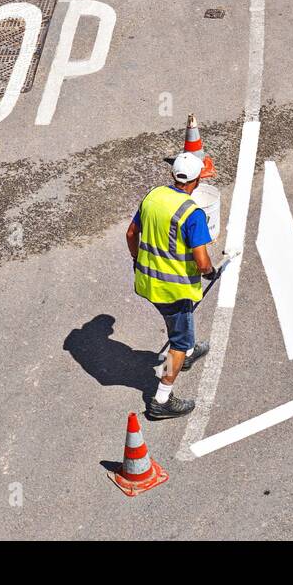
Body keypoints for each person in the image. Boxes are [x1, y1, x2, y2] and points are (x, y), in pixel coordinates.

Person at [125, 151, 216, 419]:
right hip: (174, 289)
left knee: (178, 327)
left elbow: (131, 233)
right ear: (196, 181)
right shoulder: (192, 213)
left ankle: (186, 352)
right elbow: (201, 261)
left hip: (149, 282)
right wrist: (210, 271)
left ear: (173, 175)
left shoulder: (152, 197)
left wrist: (136, 258)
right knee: (178, 340)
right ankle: (161, 399)